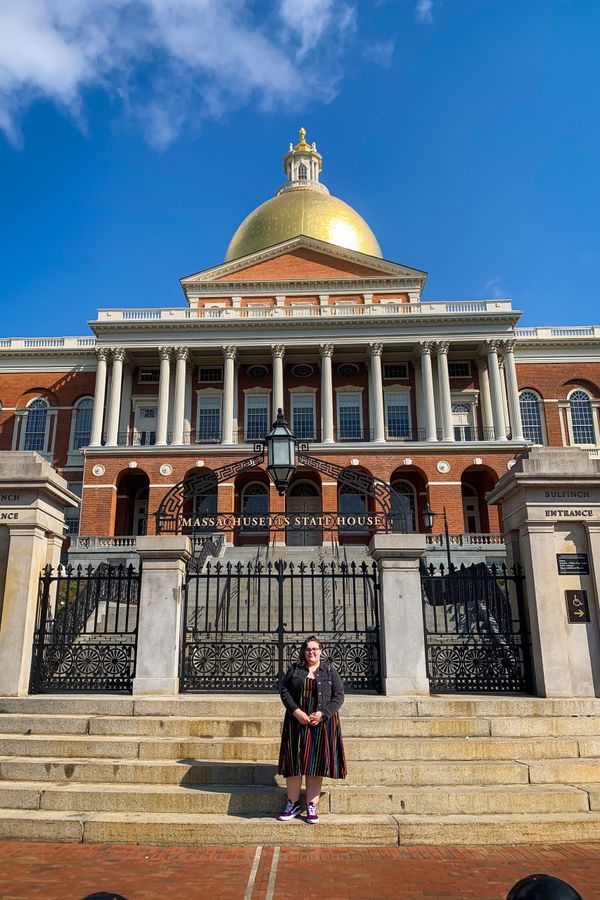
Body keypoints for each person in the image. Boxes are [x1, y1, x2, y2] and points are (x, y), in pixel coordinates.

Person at [277, 635, 347, 824]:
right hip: (296, 722)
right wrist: (296, 711)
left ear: (321, 651)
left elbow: (339, 696)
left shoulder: (329, 671)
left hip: (320, 723)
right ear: (304, 651)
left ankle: (311, 805)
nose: (311, 652)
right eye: (308, 649)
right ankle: (292, 803)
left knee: (314, 763)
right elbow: (284, 691)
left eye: (315, 649)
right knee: (294, 763)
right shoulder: (295, 670)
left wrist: (323, 713)